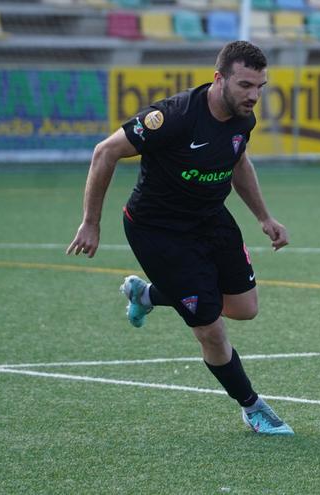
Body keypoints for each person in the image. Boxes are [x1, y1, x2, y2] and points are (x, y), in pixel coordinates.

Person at [66, 41, 293, 436]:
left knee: (244, 308)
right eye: (245, 85)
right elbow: (105, 152)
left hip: (210, 220)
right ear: (218, 79)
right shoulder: (171, 117)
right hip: (159, 231)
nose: (254, 96)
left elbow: (237, 161)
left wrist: (264, 217)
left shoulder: (244, 118)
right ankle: (252, 406)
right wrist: (91, 222)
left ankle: (148, 295)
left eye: (260, 86)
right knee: (209, 326)